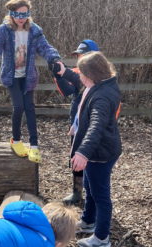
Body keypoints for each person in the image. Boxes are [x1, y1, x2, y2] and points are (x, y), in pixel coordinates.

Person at [0, 0, 61, 164]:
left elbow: (45, 47)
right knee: (19, 106)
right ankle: (16, 140)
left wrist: (53, 59)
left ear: (28, 14)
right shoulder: (4, 30)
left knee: (30, 107)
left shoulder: (34, 31)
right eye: (18, 15)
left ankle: (34, 145)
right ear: (11, 14)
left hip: (28, 75)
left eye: (25, 15)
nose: (21, 19)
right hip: (12, 76)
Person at [64, 51, 122, 247]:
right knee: (90, 186)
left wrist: (83, 152)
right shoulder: (99, 86)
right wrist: (77, 125)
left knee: (101, 195)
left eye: (81, 73)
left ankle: (101, 237)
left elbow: (96, 126)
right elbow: (85, 113)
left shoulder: (102, 97)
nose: (79, 77)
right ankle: (88, 220)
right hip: (100, 150)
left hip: (100, 153)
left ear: (91, 74)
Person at [52, 39, 99, 205]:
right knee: (75, 156)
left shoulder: (99, 76)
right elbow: (66, 90)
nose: (80, 58)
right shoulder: (75, 71)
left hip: (93, 123)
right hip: (77, 123)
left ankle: (93, 195)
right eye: (78, 55)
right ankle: (77, 191)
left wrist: (65, 73)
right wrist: (58, 75)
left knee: (93, 158)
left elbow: (83, 84)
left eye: (83, 55)